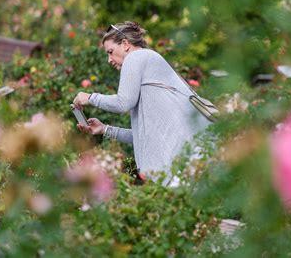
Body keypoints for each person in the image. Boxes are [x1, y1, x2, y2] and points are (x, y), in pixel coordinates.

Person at [73, 21, 212, 182]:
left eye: (110, 52)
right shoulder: (148, 61)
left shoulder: (136, 57)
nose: (109, 60)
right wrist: (105, 129)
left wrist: (90, 98)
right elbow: (143, 135)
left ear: (125, 44)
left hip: (182, 162)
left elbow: (123, 103)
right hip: (188, 160)